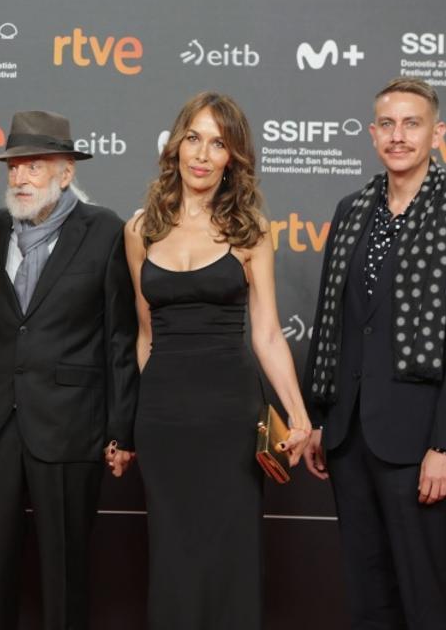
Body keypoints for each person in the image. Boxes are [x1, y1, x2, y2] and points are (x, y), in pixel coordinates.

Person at [302, 78, 446, 629]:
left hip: (419, 444)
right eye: (387, 124)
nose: (398, 136)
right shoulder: (351, 212)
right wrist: (323, 418)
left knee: (426, 599)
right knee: (369, 599)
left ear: (437, 133)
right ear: (371, 134)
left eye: (411, 124)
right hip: (349, 439)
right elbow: (335, 324)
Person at [123, 92, 312, 629]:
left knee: (229, 554)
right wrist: (143, 416)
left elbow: (269, 334)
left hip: (230, 416)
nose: (202, 154)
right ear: (177, 145)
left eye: (218, 143)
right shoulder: (139, 231)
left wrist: (298, 416)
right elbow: (144, 335)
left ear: (233, 158)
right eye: (194, 138)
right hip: (163, 421)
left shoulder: (250, 231)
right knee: (172, 554)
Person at [0, 109, 139, 630]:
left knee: (65, 571)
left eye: (34, 166)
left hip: (70, 424)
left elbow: (120, 336)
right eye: (13, 166)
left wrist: (120, 427)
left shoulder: (106, 230)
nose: (20, 177)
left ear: (66, 173)